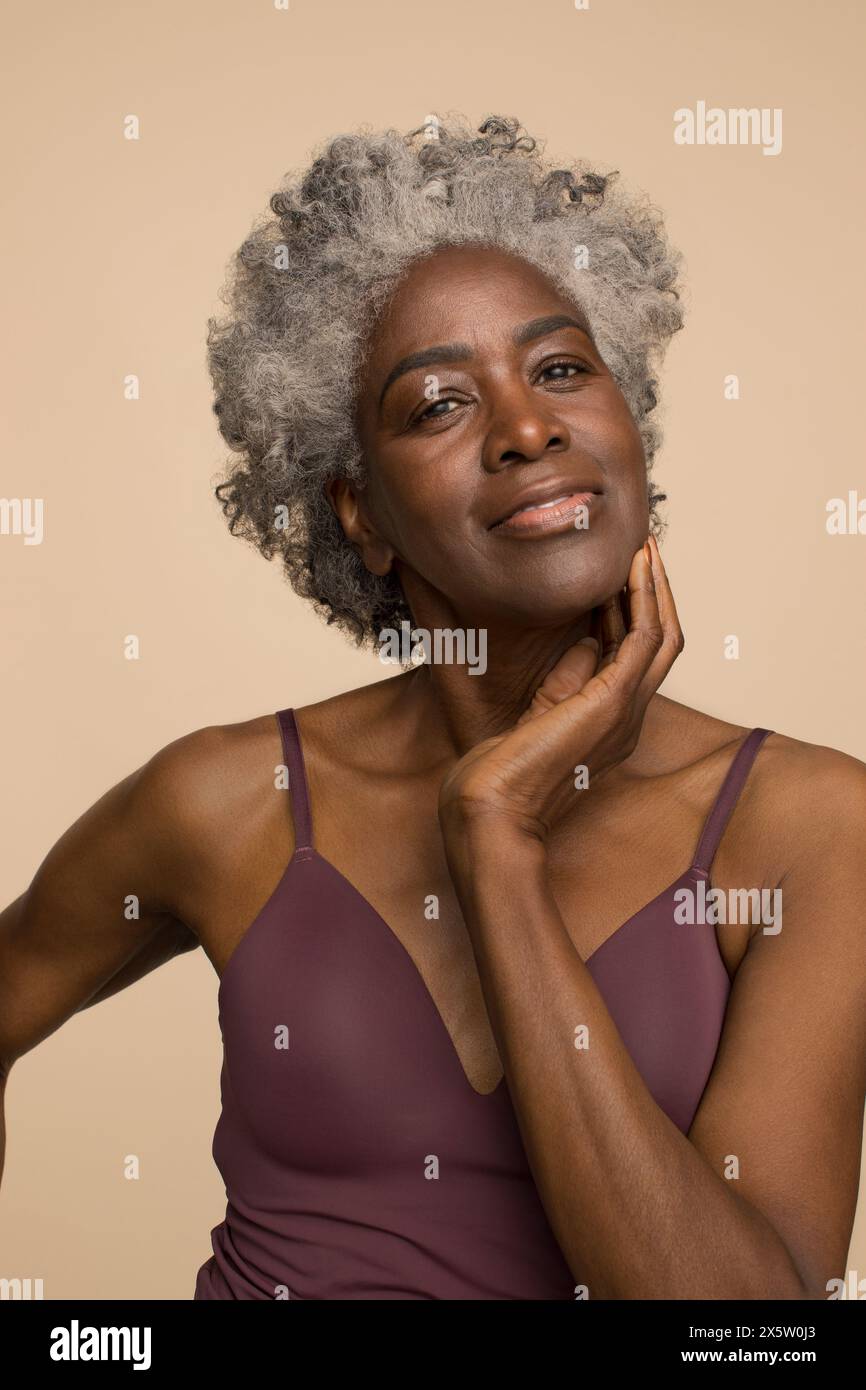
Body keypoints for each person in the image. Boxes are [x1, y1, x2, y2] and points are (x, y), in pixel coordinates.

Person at [1, 114, 864, 1301]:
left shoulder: (808, 825)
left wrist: (494, 839)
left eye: (561, 369)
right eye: (440, 405)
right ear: (356, 510)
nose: (526, 429)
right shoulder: (226, 802)